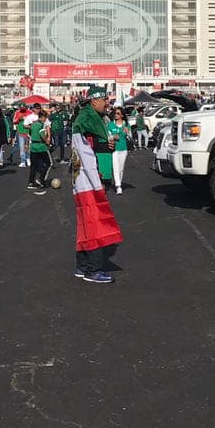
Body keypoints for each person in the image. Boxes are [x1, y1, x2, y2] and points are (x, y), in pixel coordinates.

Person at [69, 87, 121, 285]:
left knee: (85, 223)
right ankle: (94, 269)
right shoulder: (89, 117)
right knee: (95, 222)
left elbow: (89, 144)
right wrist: (97, 181)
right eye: (104, 99)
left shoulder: (84, 118)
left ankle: (82, 266)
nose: (107, 103)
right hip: (87, 180)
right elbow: (86, 151)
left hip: (80, 179)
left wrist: (104, 145)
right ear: (93, 101)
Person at [107, 106, 132, 195]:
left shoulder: (126, 124)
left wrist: (128, 132)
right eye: (115, 113)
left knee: (121, 168)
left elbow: (130, 138)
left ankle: (119, 183)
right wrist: (113, 137)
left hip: (123, 149)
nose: (116, 115)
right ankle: (118, 186)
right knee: (115, 168)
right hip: (114, 149)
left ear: (122, 115)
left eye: (118, 113)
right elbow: (108, 137)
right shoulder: (110, 125)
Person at [27, 104, 51, 194]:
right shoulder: (41, 125)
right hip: (41, 147)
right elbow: (42, 134)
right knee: (48, 163)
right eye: (45, 118)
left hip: (33, 146)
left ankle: (31, 182)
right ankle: (41, 179)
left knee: (34, 166)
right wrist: (47, 141)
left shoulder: (33, 124)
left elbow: (30, 133)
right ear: (43, 117)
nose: (46, 120)